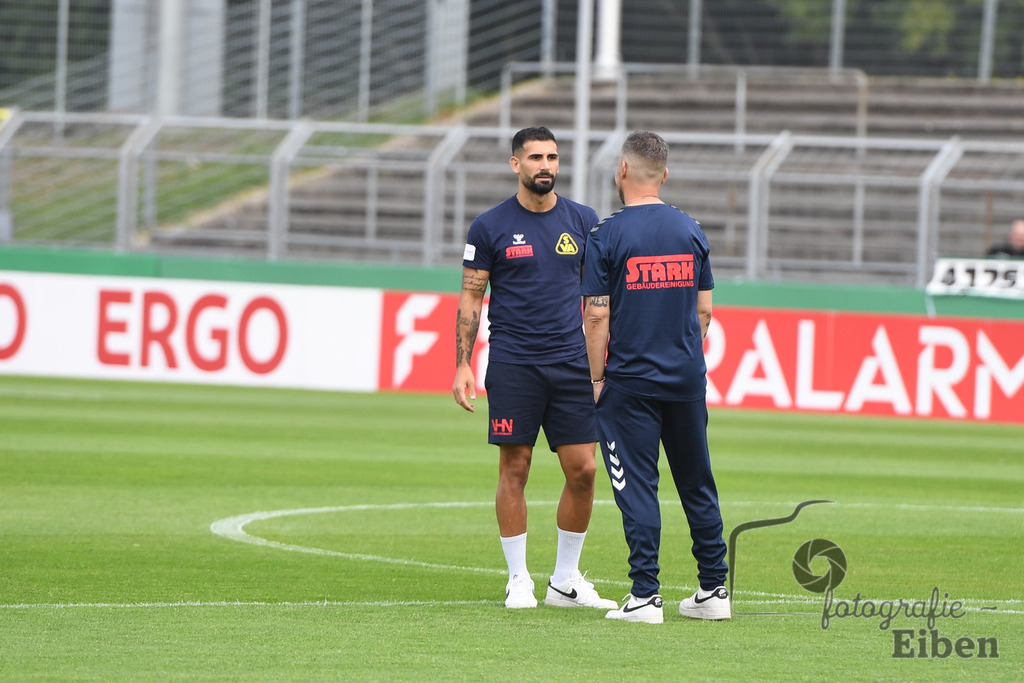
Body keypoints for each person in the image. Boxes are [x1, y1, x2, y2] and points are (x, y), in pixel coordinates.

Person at [453, 126, 617, 611]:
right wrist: (462, 363)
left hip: (570, 364)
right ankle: (519, 578)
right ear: (515, 165)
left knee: (585, 470)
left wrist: (599, 367)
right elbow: (471, 295)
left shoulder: (584, 220)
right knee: (515, 468)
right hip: (514, 364)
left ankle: (565, 581)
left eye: (552, 157)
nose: (545, 165)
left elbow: (598, 300)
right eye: (535, 158)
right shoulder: (489, 226)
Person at [582, 131, 730, 624]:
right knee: (697, 482)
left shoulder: (606, 234)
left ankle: (646, 595)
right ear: (664, 175)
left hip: (631, 381)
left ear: (622, 171)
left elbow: (596, 317)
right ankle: (714, 590)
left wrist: (598, 379)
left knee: (637, 487)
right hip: (686, 378)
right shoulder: (691, 229)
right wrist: (681, 353)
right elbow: (704, 312)